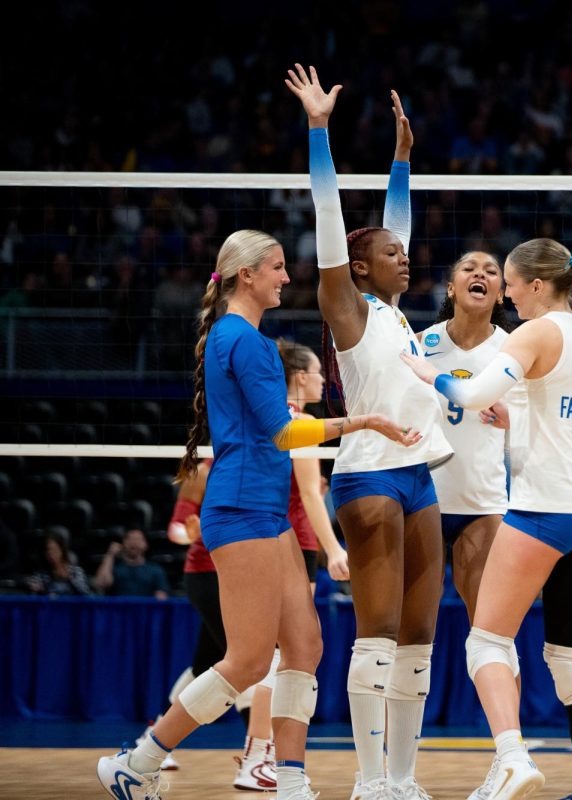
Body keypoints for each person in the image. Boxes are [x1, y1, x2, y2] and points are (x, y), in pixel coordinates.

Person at [96, 229, 416, 800]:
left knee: (305, 646)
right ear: (247, 275)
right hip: (240, 511)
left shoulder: (247, 338)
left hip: (267, 513)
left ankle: (289, 778)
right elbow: (286, 430)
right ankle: (138, 760)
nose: (286, 278)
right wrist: (363, 422)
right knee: (246, 661)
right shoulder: (241, 340)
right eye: (276, 268)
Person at [402, 237, 572, 800]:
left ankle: (510, 758)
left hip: (546, 506)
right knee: (571, 656)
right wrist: (516, 424)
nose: (507, 293)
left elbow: (473, 394)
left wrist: (430, 375)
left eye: (507, 278)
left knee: (486, 642)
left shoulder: (535, 330)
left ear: (531, 284)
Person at [287, 66, 452, 800]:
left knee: (419, 636)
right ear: (357, 267)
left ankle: (405, 778)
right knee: (378, 633)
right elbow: (332, 219)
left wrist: (403, 161)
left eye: (403, 251)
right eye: (391, 254)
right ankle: (367, 778)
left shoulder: (393, 312)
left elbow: (396, 223)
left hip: (420, 477)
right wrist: (320, 132)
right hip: (369, 477)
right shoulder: (347, 309)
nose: (404, 256)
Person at [143, 459, 281, 790]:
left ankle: (154, 734)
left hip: (245, 573)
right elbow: (176, 526)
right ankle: (256, 757)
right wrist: (186, 533)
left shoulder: (264, 458)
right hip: (207, 575)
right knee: (251, 661)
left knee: (205, 663)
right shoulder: (204, 469)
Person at [418, 251, 511, 620]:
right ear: (451, 288)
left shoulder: (513, 349)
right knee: (416, 624)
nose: (481, 275)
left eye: (491, 272)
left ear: (501, 293)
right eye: (470, 269)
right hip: (424, 498)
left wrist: (513, 419)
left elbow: (538, 419)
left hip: (483, 503)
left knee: (490, 627)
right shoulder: (421, 343)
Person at [276, 338, 351, 588]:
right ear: (301, 377)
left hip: (265, 532)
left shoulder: (268, 417)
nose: (323, 380)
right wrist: (334, 550)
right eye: (318, 372)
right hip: (296, 535)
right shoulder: (303, 422)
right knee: (303, 626)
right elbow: (309, 494)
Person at [93, 528, 169, 599]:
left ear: (145, 545)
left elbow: (161, 597)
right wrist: (110, 554)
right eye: (130, 539)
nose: (134, 543)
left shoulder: (155, 570)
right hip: (118, 611)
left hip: (144, 612)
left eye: (138, 539)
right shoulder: (115, 568)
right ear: (123, 543)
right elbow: (101, 583)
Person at [26, 529, 91, 596]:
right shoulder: (41, 575)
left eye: (54, 550)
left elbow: (85, 596)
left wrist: (70, 579)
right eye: (48, 551)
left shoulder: (76, 572)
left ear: (62, 551)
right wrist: (37, 589)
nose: (51, 554)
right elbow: (33, 596)